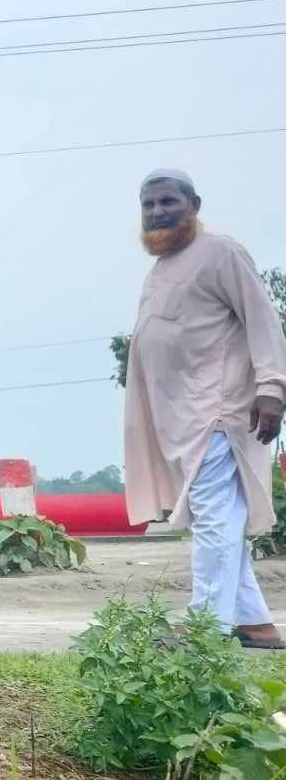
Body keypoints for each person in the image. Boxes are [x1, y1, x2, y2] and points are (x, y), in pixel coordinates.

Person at [124, 169, 285, 647]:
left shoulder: (222, 252)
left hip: (219, 412)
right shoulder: (161, 269)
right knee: (217, 514)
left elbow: (263, 319)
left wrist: (273, 388)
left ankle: (204, 627)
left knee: (215, 516)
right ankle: (254, 622)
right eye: (149, 204)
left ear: (194, 203)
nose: (158, 212)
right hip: (180, 420)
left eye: (168, 201)